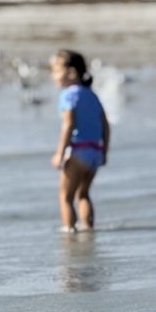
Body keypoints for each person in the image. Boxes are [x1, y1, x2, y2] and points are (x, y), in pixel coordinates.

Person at [49, 49, 110, 232]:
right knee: (83, 194)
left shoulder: (69, 95)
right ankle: (89, 230)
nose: (53, 77)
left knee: (65, 197)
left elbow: (68, 125)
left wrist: (60, 153)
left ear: (71, 73)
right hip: (94, 152)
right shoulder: (92, 95)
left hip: (78, 151)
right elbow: (105, 125)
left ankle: (69, 232)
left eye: (56, 72)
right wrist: (104, 151)